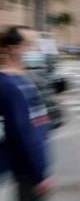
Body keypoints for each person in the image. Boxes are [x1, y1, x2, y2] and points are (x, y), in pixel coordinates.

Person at [0, 26, 52, 200]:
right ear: (13, 48)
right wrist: (38, 174)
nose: (33, 49)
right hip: (28, 168)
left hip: (30, 164)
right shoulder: (10, 85)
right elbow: (22, 133)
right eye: (28, 44)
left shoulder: (23, 78)